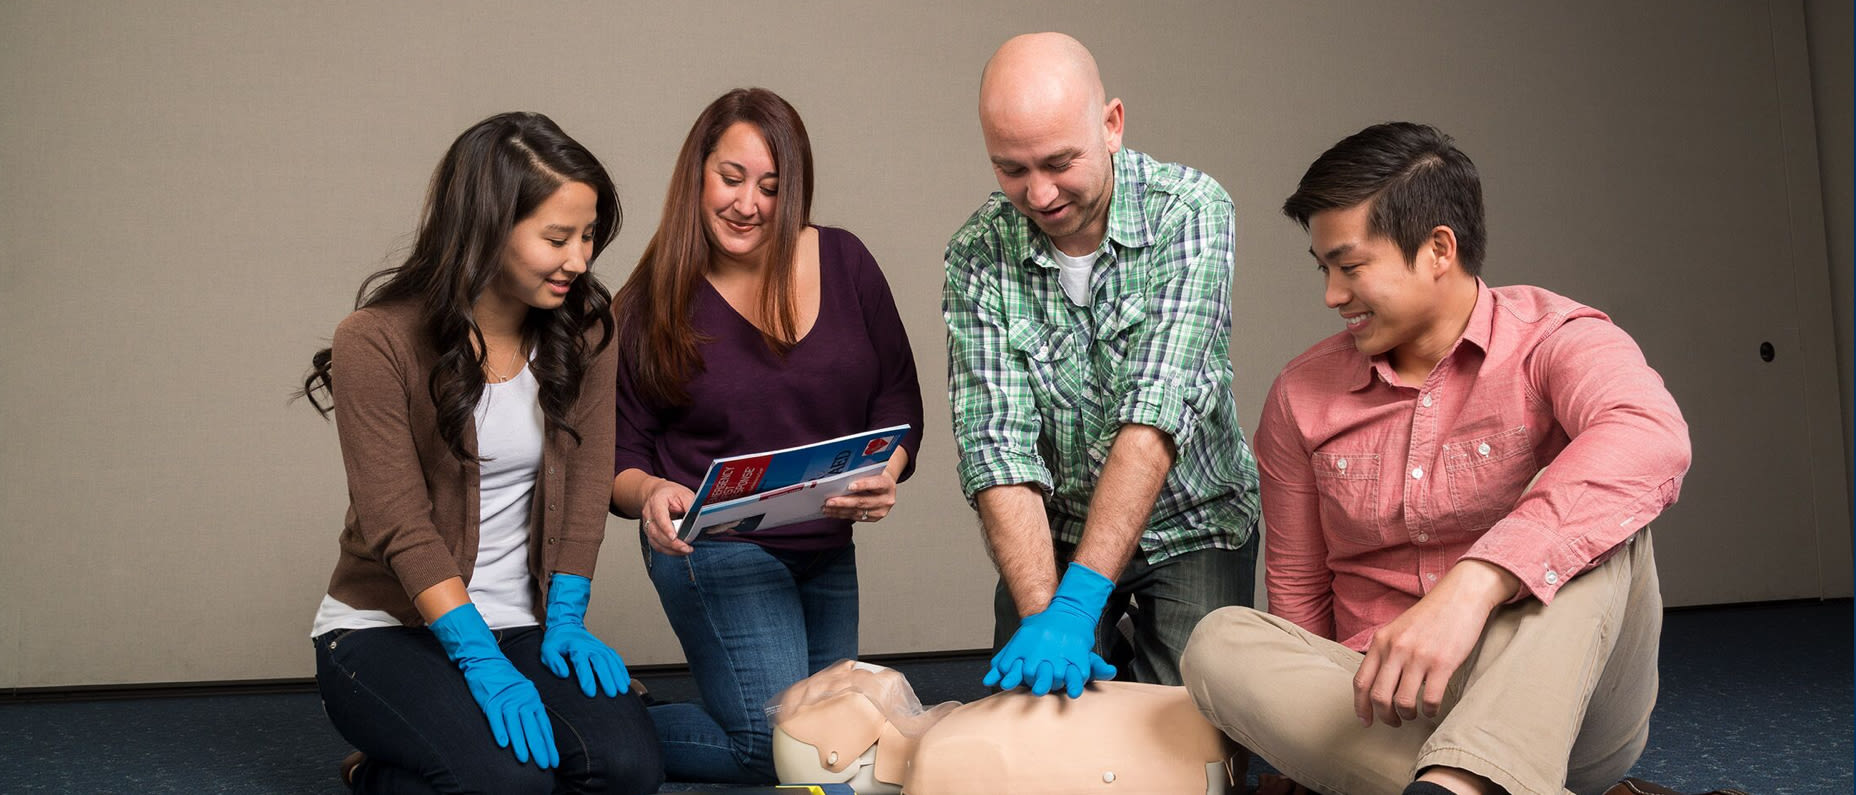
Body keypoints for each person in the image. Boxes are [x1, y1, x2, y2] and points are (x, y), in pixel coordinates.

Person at [1180, 122, 1693, 795]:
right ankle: (1467, 782)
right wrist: (1306, 751)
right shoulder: (1300, 396)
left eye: (1350, 265)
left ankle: (1474, 770)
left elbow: (1650, 432)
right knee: (1218, 643)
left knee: (1600, 511)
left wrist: (1477, 581)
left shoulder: (1555, 338)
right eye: (1323, 268)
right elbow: (1300, 602)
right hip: (1384, 711)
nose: (1332, 294)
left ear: (1438, 249)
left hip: (1564, 706)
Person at [301, 111, 661, 794]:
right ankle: (380, 772)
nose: (580, 259)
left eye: (588, 236)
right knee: (511, 782)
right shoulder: (374, 340)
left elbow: (589, 479)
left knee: (627, 768)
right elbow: (397, 519)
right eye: (558, 237)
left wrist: (565, 618)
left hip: (521, 622)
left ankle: (427, 763)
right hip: (386, 631)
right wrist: (475, 656)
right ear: (488, 226)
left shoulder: (585, 328)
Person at [610, 87, 925, 785]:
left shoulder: (847, 262)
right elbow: (619, 454)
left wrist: (888, 470)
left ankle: (618, 714)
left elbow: (899, 397)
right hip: (714, 547)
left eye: (771, 187)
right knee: (768, 747)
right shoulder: (650, 300)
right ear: (697, 173)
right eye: (730, 178)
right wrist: (652, 491)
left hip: (824, 544)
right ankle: (583, 727)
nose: (747, 204)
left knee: (841, 746)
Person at [943, 32, 1261, 700]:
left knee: (1180, 733)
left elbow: (1154, 417)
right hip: (1054, 531)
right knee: (1035, 716)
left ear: (1111, 125)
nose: (1039, 192)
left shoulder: (1193, 213)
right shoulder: (977, 252)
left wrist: (1078, 605)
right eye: (1011, 168)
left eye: (1059, 162)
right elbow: (996, 448)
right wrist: (1043, 614)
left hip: (1192, 522)